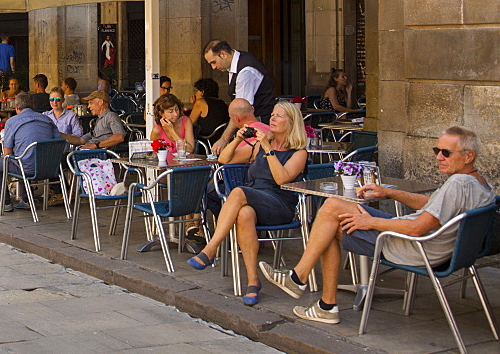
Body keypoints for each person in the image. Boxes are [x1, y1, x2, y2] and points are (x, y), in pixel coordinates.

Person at [260, 126, 494, 325]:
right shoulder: (480, 184)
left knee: (330, 214)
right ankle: (317, 297)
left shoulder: (458, 183)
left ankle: (306, 285)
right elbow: (433, 204)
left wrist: (371, 222)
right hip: (437, 247)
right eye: (436, 150)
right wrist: (389, 193)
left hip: (414, 246)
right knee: (330, 217)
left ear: (468, 156)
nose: (438, 157)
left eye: (446, 152)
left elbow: (417, 229)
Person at [187, 101, 308, 306]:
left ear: (291, 122)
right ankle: (253, 282)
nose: (272, 118)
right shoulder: (259, 146)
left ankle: (211, 249)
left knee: (238, 192)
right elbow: (224, 160)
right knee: (243, 214)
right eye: (272, 114)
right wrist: (237, 139)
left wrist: (269, 149)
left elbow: (281, 179)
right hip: (254, 200)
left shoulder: (298, 152)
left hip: (280, 205)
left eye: (279, 116)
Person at [0, 92, 59, 212]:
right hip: (50, 168)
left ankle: (5, 202)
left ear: (16, 107)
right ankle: (27, 199)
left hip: (26, 168)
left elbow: (7, 152)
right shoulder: (47, 120)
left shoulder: (12, 121)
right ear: (33, 105)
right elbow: (58, 142)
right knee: (23, 158)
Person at [204, 40, 277, 152]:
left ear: (223, 54)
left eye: (213, 62)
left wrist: (224, 139)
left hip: (260, 124)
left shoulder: (246, 71)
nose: (213, 67)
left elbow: (241, 112)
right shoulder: (237, 63)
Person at [62, 91, 127, 150]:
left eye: (91, 103)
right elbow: (81, 140)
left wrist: (96, 145)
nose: (88, 106)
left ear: (101, 102)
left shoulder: (111, 116)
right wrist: (59, 134)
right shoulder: (98, 120)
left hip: (100, 155)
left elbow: (119, 137)